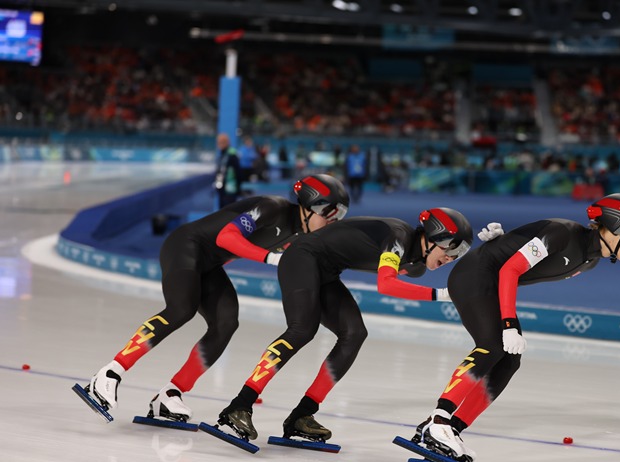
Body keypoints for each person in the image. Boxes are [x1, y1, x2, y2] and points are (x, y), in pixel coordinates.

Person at [408, 193, 620, 462]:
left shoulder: (589, 260)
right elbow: (509, 271)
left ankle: (451, 430)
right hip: (473, 276)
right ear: (613, 226)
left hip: (489, 282)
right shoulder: (563, 234)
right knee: (492, 345)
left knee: (509, 361)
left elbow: (523, 256)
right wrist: (509, 324)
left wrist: (505, 242)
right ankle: (439, 420)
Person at [84, 174, 350, 422]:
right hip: (185, 246)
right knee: (181, 309)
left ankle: (171, 393)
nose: (333, 221)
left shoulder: (302, 236)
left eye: (339, 216)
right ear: (308, 206)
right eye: (329, 213)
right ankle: (110, 372)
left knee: (226, 322)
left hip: (210, 264)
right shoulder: (272, 208)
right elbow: (226, 237)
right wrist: (269, 258)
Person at [217, 207, 475, 443]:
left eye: (458, 255)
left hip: (327, 271)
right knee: (302, 329)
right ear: (433, 237)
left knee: (354, 333)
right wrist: (443, 295)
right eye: (450, 249)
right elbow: (386, 284)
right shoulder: (399, 236)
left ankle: (302, 414)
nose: (450, 258)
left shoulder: (416, 266)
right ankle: (240, 405)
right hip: (301, 257)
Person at [215, 133, 242, 208]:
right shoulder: (222, 155)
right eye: (219, 142)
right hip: (222, 189)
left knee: (229, 211)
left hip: (230, 190)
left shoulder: (232, 154)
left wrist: (238, 188)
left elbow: (238, 172)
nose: (220, 144)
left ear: (227, 142)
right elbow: (219, 172)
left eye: (222, 142)